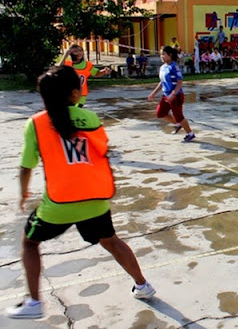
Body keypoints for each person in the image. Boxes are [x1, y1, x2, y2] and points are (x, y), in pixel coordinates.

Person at [6, 66, 155, 320]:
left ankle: (34, 303)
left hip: (59, 203)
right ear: (75, 94)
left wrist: (22, 194)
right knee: (112, 241)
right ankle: (143, 285)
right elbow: (101, 150)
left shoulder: (37, 124)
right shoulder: (92, 119)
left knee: (29, 243)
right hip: (95, 199)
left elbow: (26, 166)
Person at [148, 46, 196, 142]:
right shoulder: (162, 67)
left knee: (179, 115)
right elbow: (162, 82)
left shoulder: (174, 66)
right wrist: (153, 93)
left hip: (176, 96)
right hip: (166, 95)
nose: (161, 56)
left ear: (170, 55)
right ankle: (178, 124)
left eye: (163, 54)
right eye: (161, 54)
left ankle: (190, 133)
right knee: (160, 113)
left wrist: (173, 94)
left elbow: (179, 82)